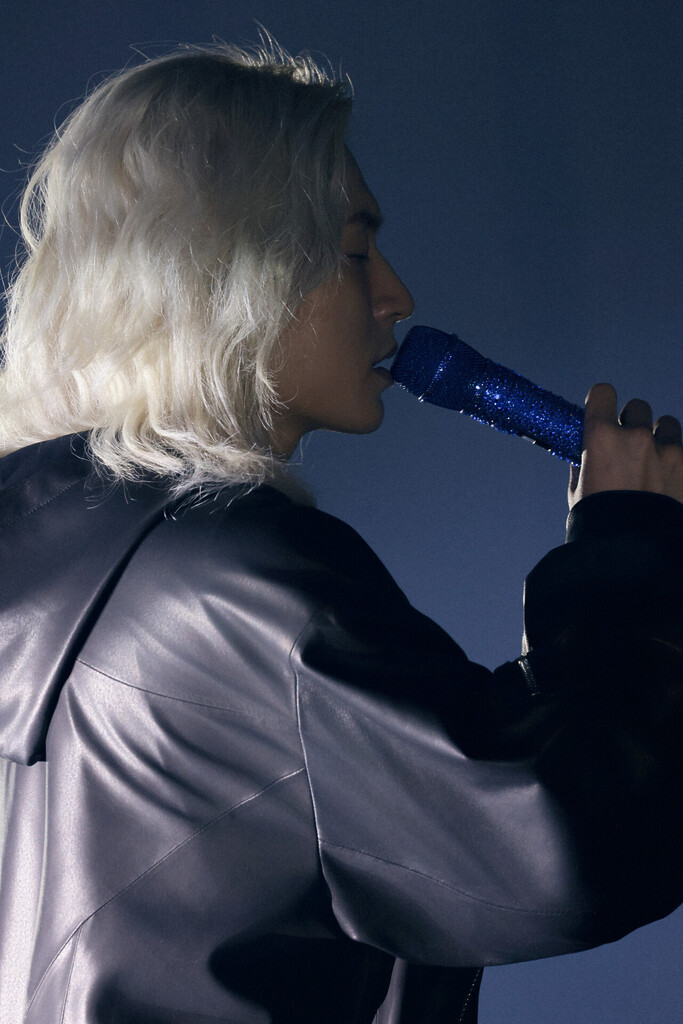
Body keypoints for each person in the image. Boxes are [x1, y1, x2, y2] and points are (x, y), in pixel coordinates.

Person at [0, 40, 680, 1024]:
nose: (395, 296)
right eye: (356, 252)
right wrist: (631, 553)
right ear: (229, 270)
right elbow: (563, 841)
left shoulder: (67, 561)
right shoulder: (235, 578)